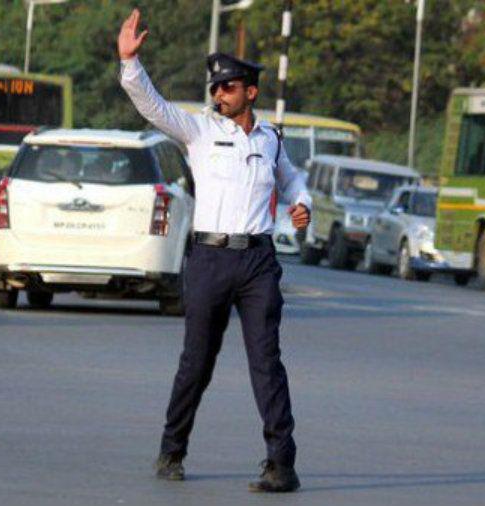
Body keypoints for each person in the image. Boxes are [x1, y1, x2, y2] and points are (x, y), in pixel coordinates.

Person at [118, 9, 311, 494]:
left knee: (267, 362)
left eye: (228, 87)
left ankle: (281, 463)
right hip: (210, 260)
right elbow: (154, 107)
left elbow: (293, 180)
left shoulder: (270, 139)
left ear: (251, 92)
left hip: (257, 262)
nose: (218, 95)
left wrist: (302, 203)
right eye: (215, 89)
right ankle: (172, 448)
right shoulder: (200, 132)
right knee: (196, 362)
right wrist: (130, 64)